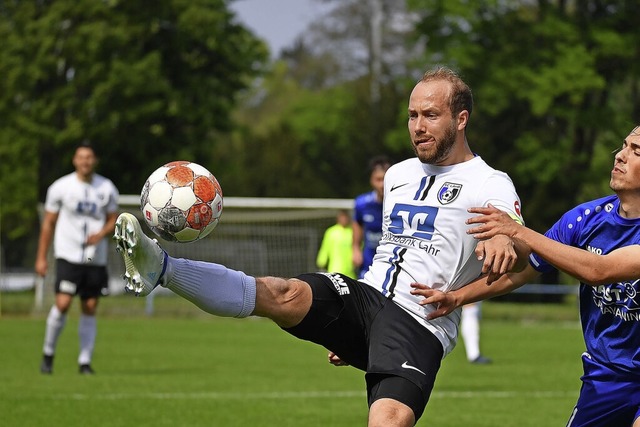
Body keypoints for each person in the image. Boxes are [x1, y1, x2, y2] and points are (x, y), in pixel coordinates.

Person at [114, 66, 526, 426]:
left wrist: (503, 243)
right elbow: (391, 253)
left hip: (420, 321)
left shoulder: (488, 182)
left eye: (430, 116)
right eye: (412, 115)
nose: (417, 126)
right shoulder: (398, 175)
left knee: (388, 422)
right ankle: (163, 267)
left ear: (461, 119)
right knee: (283, 293)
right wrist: (357, 331)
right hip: (367, 299)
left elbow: (520, 250)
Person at [414, 125, 640, 427]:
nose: (620, 156)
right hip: (605, 375)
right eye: (623, 146)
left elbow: (600, 271)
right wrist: (457, 297)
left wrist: (517, 230)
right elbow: (522, 274)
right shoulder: (585, 220)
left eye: (635, 151)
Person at [36, 142, 119, 375]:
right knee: (62, 303)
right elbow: (48, 223)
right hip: (68, 254)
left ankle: (84, 361)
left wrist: (101, 233)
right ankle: (48, 353)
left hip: (95, 258)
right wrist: (41, 257)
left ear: (95, 160)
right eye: (81, 157)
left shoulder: (106, 188)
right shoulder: (61, 187)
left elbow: (113, 219)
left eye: (89, 157)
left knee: (90, 306)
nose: (85, 161)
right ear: (75, 160)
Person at [352, 155, 392, 279]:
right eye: (378, 179)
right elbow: (357, 223)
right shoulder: (362, 203)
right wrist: (356, 248)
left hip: (392, 262)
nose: (382, 185)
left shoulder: (400, 203)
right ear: (371, 180)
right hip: (369, 261)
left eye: (385, 179)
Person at [316, 209, 357, 278]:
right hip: (335, 268)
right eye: (342, 217)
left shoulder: (352, 232)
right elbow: (325, 247)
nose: (344, 219)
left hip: (350, 270)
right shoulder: (331, 232)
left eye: (345, 217)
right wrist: (321, 261)